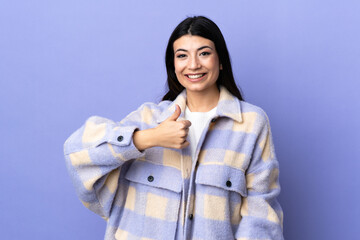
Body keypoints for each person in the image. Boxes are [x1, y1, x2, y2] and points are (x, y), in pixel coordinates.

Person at [63, 15, 284, 240]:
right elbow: (78, 152)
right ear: (174, 65)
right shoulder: (149, 117)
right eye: (182, 56)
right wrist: (147, 138)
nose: (193, 64)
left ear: (221, 61)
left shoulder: (250, 123)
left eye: (204, 53)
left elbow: (261, 213)